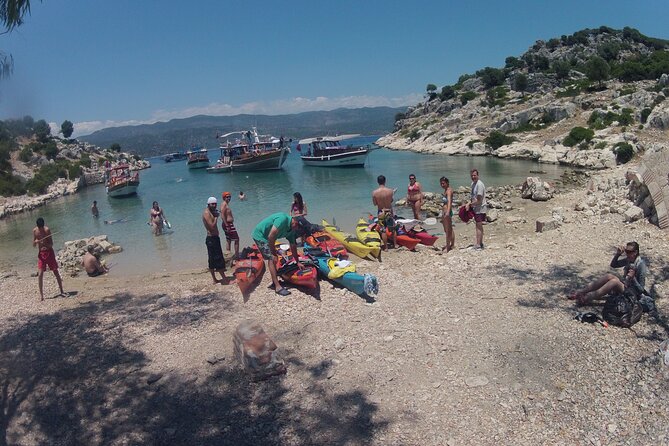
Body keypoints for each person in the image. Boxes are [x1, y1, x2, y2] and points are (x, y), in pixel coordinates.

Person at [570, 242, 649, 305]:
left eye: (629, 252)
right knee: (609, 276)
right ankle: (581, 291)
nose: (627, 254)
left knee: (614, 282)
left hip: (633, 294)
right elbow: (614, 265)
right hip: (626, 286)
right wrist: (618, 254)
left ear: (635, 252)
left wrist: (633, 278)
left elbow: (641, 290)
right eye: (626, 251)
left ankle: (588, 298)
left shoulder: (641, 265)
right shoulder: (629, 260)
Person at [252, 212, 306, 297]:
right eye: (297, 227)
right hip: (260, 235)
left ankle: (275, 281)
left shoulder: (292, 230)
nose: (297, 230)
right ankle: (277, 287)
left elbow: (293, 246)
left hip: (269, 237)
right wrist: (273, 253)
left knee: (273, 258)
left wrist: (297, 261)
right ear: (295, 222)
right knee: (271, 258)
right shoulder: (282, 219)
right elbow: (270, 237)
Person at [202, 197, 234, 285]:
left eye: (215, 204)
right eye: (212, 204)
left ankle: (214, 280)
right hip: (212, 239)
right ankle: (225, 280)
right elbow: (212, 226)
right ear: (208, 204)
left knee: (212, 259)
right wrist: (216, 217)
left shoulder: (211, 212)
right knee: (218, 258)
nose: (214, 205)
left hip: (213, 238)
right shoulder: (206, 213)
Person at [32, 217, 65, 300]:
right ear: (37, 226)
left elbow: (51, 244)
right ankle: (41, 296)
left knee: (55, 272)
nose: (41, 229)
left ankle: (62, 291)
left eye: (42, 227)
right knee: (40, 275)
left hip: (49, 253)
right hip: (41, 254)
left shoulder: (47, 230)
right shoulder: (35, 231)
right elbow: (33, 245)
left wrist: (44, 243)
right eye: (40, 228)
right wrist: (35, 242)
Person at [372, 175, 397, 250]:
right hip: (389, 211)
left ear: (377, 182)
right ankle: (395, 245)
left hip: (381, 212)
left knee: (383, 230)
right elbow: (391, 201)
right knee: (393, 229)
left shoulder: (374, 192)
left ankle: (386, 247)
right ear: (385, 181)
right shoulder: (390, 191)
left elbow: (375, 204)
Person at [465, 169, 487, 250]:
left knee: (478, 226)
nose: (473, 177)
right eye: (472, 176)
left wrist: (469, 204)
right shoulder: (473, 184)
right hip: (476, 208)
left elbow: (479, 200)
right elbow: (472, 197)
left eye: (474, 175)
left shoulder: (479, 185)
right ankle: (480, 243)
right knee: (478, 226)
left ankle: (478, 244)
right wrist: (469, 203)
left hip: (480, 208)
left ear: (478, 175)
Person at [221, 191, 240, 259]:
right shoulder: (224, 204)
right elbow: (222, 215)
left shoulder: (226, 204)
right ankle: (237, 256)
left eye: (229, 197)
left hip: (228, 224)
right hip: (228, 224)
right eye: (227, 197)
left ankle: (228, 256)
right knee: (237, 239)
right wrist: (226, 225)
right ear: (224, 198)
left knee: (229, 240)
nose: (229, 198)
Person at [440, 176, 455, 252]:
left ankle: (448, 247)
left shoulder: (448, 191)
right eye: (441, 183)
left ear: (447, 183)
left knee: (447, 230)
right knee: (450, 228)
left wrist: (448, 212)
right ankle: (452, 244)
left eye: (443, 183)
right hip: (446, 211)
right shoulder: (446, 190)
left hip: (447, 211)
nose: (442, 185)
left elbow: (449, 201)